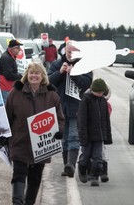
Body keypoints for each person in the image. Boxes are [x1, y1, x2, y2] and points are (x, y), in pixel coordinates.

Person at [6, 62, 65, 205]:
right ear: (27, 75)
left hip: (42, 145)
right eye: (31, 72)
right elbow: (7, 117)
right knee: (18, 174)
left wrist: (59, 131)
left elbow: (60, 119)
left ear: (42, 76)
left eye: (37, 73)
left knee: (35, 177)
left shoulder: (52, 96)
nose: (34, 76)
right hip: (20, 142)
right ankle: (17, 201)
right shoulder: (15, 93)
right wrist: (3, 137)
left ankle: (29, 202)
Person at [47, 40, 93, 178]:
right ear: (65, 51)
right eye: (69, 51)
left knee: (74, 136)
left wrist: (75, 73)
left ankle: (71, 165)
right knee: (64, 139)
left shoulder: (85, 65)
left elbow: (86, 84)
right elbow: (48, 82)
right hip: (60, 107)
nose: (71, 54)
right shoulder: (56, 64)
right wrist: (59, 72)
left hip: (77, 107)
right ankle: (67, 165)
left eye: (74, 52)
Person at [77, 78, 112, 186]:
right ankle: (82, 169)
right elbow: (82, 120)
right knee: (86, 156)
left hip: (99, 136)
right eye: (98, 92)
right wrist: (83, 137)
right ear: (92, 90)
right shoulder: (85, 100)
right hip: (88, 135)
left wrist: (107, 136)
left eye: (102, 92)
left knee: (98, 157)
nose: (100, 94)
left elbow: (106, 120)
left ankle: (94, 176)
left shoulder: (103, 102)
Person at [0, 39, 23, 104]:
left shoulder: (10, 57)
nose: (19, 50)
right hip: (5, 87)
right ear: (11, 48)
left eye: (19, 48)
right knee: (7, 106)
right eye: (17, 48)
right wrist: (20, 76)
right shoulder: (6, 58)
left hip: (8, 87)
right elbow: (8, 75)